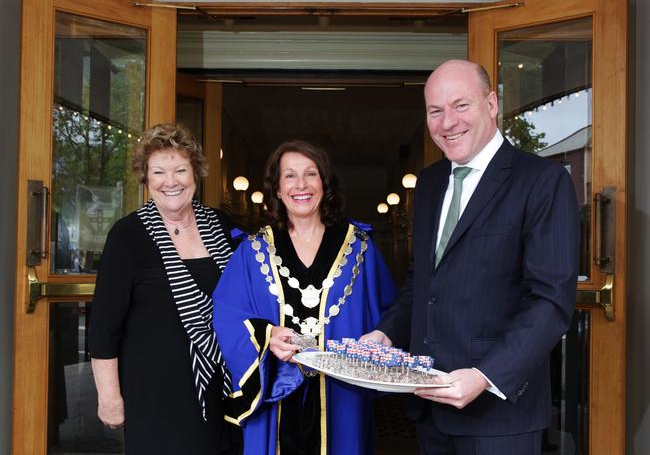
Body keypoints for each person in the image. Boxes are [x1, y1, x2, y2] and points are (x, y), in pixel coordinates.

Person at [363, 60, 580, 454]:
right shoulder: (429, 184)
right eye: (435, 111)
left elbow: (550, 300)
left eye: (461, 105)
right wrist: (386, 333)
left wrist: (485, 375)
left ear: (492, 104)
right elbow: (422, 281)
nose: (448, 122)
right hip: (429, 406)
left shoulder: (543, 181)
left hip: (499, 414)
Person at [211, 140, 397, 455]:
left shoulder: (359, 249)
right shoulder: (252, 251)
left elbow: (390, 314)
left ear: (325, 183)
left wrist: (381, 340)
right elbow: (227, 315)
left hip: (342, 399)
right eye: (290, 176)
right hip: (275, 396)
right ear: (277, 188)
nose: (301, 185)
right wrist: (267, 336)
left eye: (311, 174)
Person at [89, 123, 240, 454]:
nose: (170, 182)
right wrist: (109, 397)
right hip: (154, 396)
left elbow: (253, 297)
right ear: (146, 180)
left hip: (224, 389)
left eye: (180, 170)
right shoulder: (127, 236)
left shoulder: (223, 227)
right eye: (158, 172)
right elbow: (103, 327)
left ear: (196, 174)